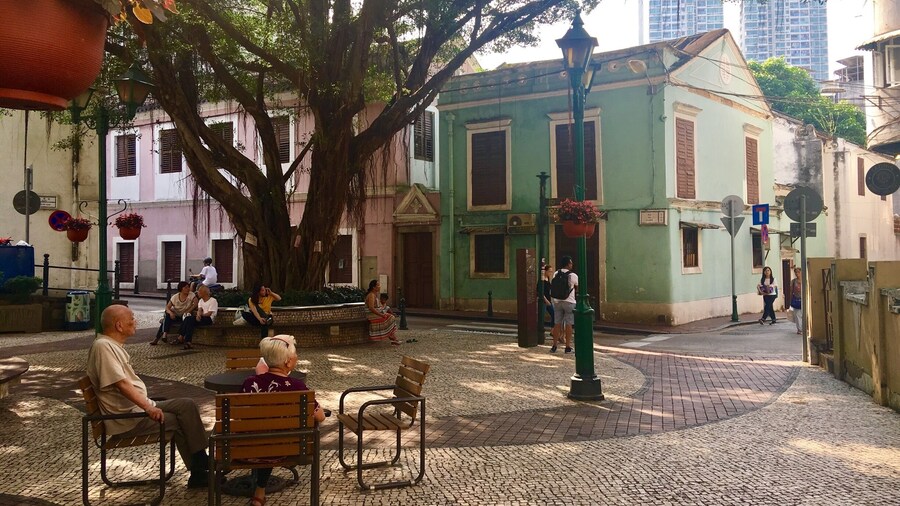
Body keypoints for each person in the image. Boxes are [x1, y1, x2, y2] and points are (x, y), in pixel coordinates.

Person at [87, 305, 209, 488]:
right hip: (128, 419)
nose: (135, 321)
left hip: (137, 409)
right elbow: (121, 384)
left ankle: (201, 463)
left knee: (187, 405)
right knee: (178, 419)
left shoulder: (109, 345)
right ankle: (200, 471)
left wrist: (148, 405)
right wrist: (148, 407)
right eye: (132, 318)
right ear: (119, 326)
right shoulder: (103, 347)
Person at [241, 335, 326, 506]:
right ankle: (260, 492)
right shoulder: (297, 387)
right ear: (288, 362)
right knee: (275, 435)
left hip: (249, 449)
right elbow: (321, 417)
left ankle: (259, 492)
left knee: (267, 432)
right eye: (295, 355)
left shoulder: (250, 383)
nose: (297, 358)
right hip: (287, 449)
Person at [150, 281, 198, 345]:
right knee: (167, 316)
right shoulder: (175, 297)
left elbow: (196, 303)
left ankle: (161, 336)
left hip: (184, 316)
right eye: (186, 287)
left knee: (165, 321)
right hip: (176, 316)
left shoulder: (191, 294)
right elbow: (167, 307)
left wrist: (189, 310)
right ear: (181, 288)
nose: (188, 289)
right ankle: (163, 335)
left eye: (188, 287)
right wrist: (171, 313)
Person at [550, 256, 577, 353]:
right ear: (568, 263)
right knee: (569, 324)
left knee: (557, 323)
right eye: (571, 263)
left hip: (557, 301)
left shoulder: (556, 273)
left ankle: (554, 346)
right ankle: (567, 346)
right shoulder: (573, 275)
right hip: (569, 301)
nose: (572, 264)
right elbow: (577, 286)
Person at [183, 284, 218, 350]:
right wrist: (198, 315)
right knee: (188, 319)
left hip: (209, 319)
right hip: (202, 317)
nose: (197, 293)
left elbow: (209, 314)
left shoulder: (213, 301)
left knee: (190, 320)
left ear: (204, 293)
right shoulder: (201, 301)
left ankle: (182, 337)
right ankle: (188, 341)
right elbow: (199, 309)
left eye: (199, 292)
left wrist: (200, 316)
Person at [365, 279, 399, 344]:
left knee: (390, 317)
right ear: (374, 287)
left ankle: (393, 338)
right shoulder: (371, 295)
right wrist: (381, 315)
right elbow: (371, 308)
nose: (380, 286)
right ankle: (393, 338)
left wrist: (382, 312)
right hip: (371, 315)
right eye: (378, 285)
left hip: (376, 313)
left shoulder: (375, 295)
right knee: (390, 317)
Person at [540, 264, 556, 330]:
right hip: (544, 300)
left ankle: (552, 330)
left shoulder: (548, 279)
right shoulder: (542, 280)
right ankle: (540, 328)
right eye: (549, 271)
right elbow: (540, 291)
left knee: (554, 314)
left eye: (551, 271)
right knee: (541, 316)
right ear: (545, 271)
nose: (550, 273)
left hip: (548, 300)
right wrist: (545, 300)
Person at [789, 266, 803, 335]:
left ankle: (804, 327)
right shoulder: (793, 281)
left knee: (804, 314)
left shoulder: (805, 280)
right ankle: (799, 329)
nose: (797, 274)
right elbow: (791, 291)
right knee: (797, 315)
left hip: (804, 299)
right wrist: (790, 299)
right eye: (796, 272)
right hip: (796, 299)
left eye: (798, 272)